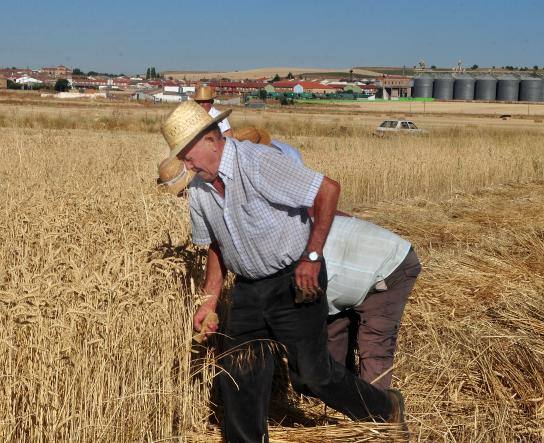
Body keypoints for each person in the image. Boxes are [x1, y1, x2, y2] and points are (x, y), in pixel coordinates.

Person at [159, 101, 406, 442]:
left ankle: (385, 408)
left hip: (294, 279)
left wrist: (312, 258)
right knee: (239, 375)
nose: (187, 166)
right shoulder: (200, 190)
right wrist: (209, 300)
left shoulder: (257, 162)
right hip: (248, 288)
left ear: (212, 141)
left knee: (312, 376)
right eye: (182, 159)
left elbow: (327, 190)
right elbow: (215, 245)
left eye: (188, 156)